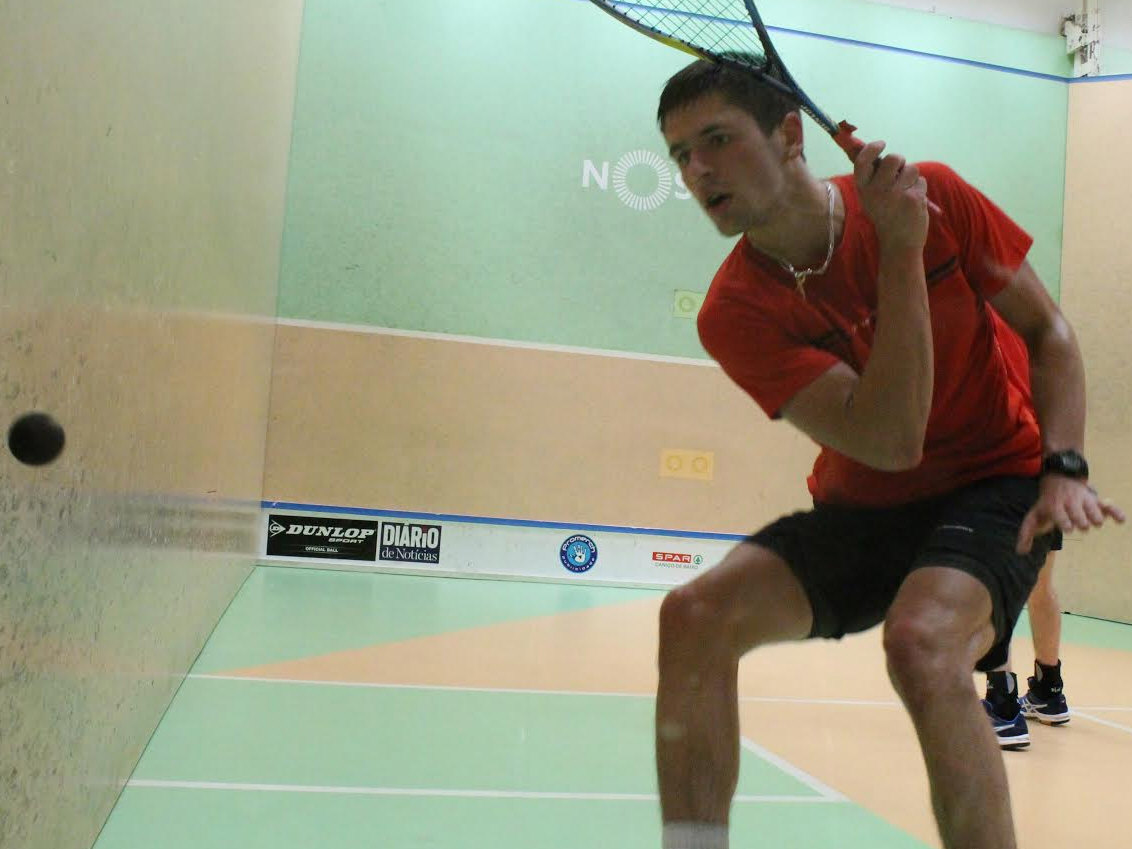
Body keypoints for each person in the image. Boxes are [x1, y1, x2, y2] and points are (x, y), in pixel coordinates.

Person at [653, 57, 1125, 849]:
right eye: (679, 154)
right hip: (866, 504)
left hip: (995, 483)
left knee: (922, 642)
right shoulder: (733, 312)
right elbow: (890, 440)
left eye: (718, 139)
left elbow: (1049, 332)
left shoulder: (937, 196)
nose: (697, 169)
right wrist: (904, 252)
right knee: (693, 615)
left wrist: (1064, 465)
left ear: (791, 134)